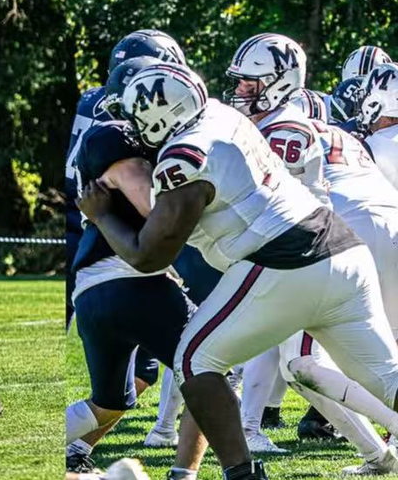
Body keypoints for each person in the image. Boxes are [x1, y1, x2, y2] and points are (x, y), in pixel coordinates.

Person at [80, 62, 398, 480]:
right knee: (387, 380)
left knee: (194, 361)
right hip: (342, 250)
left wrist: (101, 215)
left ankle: (241, 473)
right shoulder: (221, 114)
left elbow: (148, 256)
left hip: (284, 261)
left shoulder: (183, 158)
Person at [227, 33, 398, 472]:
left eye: (249, 82)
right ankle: (379, 451)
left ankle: (379, 446)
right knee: (384, 355)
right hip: (390, 225)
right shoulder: (345, 135)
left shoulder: (283, 130)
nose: (241, 90)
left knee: (301, 364)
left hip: (339, 236)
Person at [65, 60, 204, 479]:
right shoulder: (116, 137)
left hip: (97, 288)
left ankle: (64, 451)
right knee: (211, 371)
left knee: (111, 401)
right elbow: (153, 208)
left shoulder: (116, 136)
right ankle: (185, 475)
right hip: (131, 280)